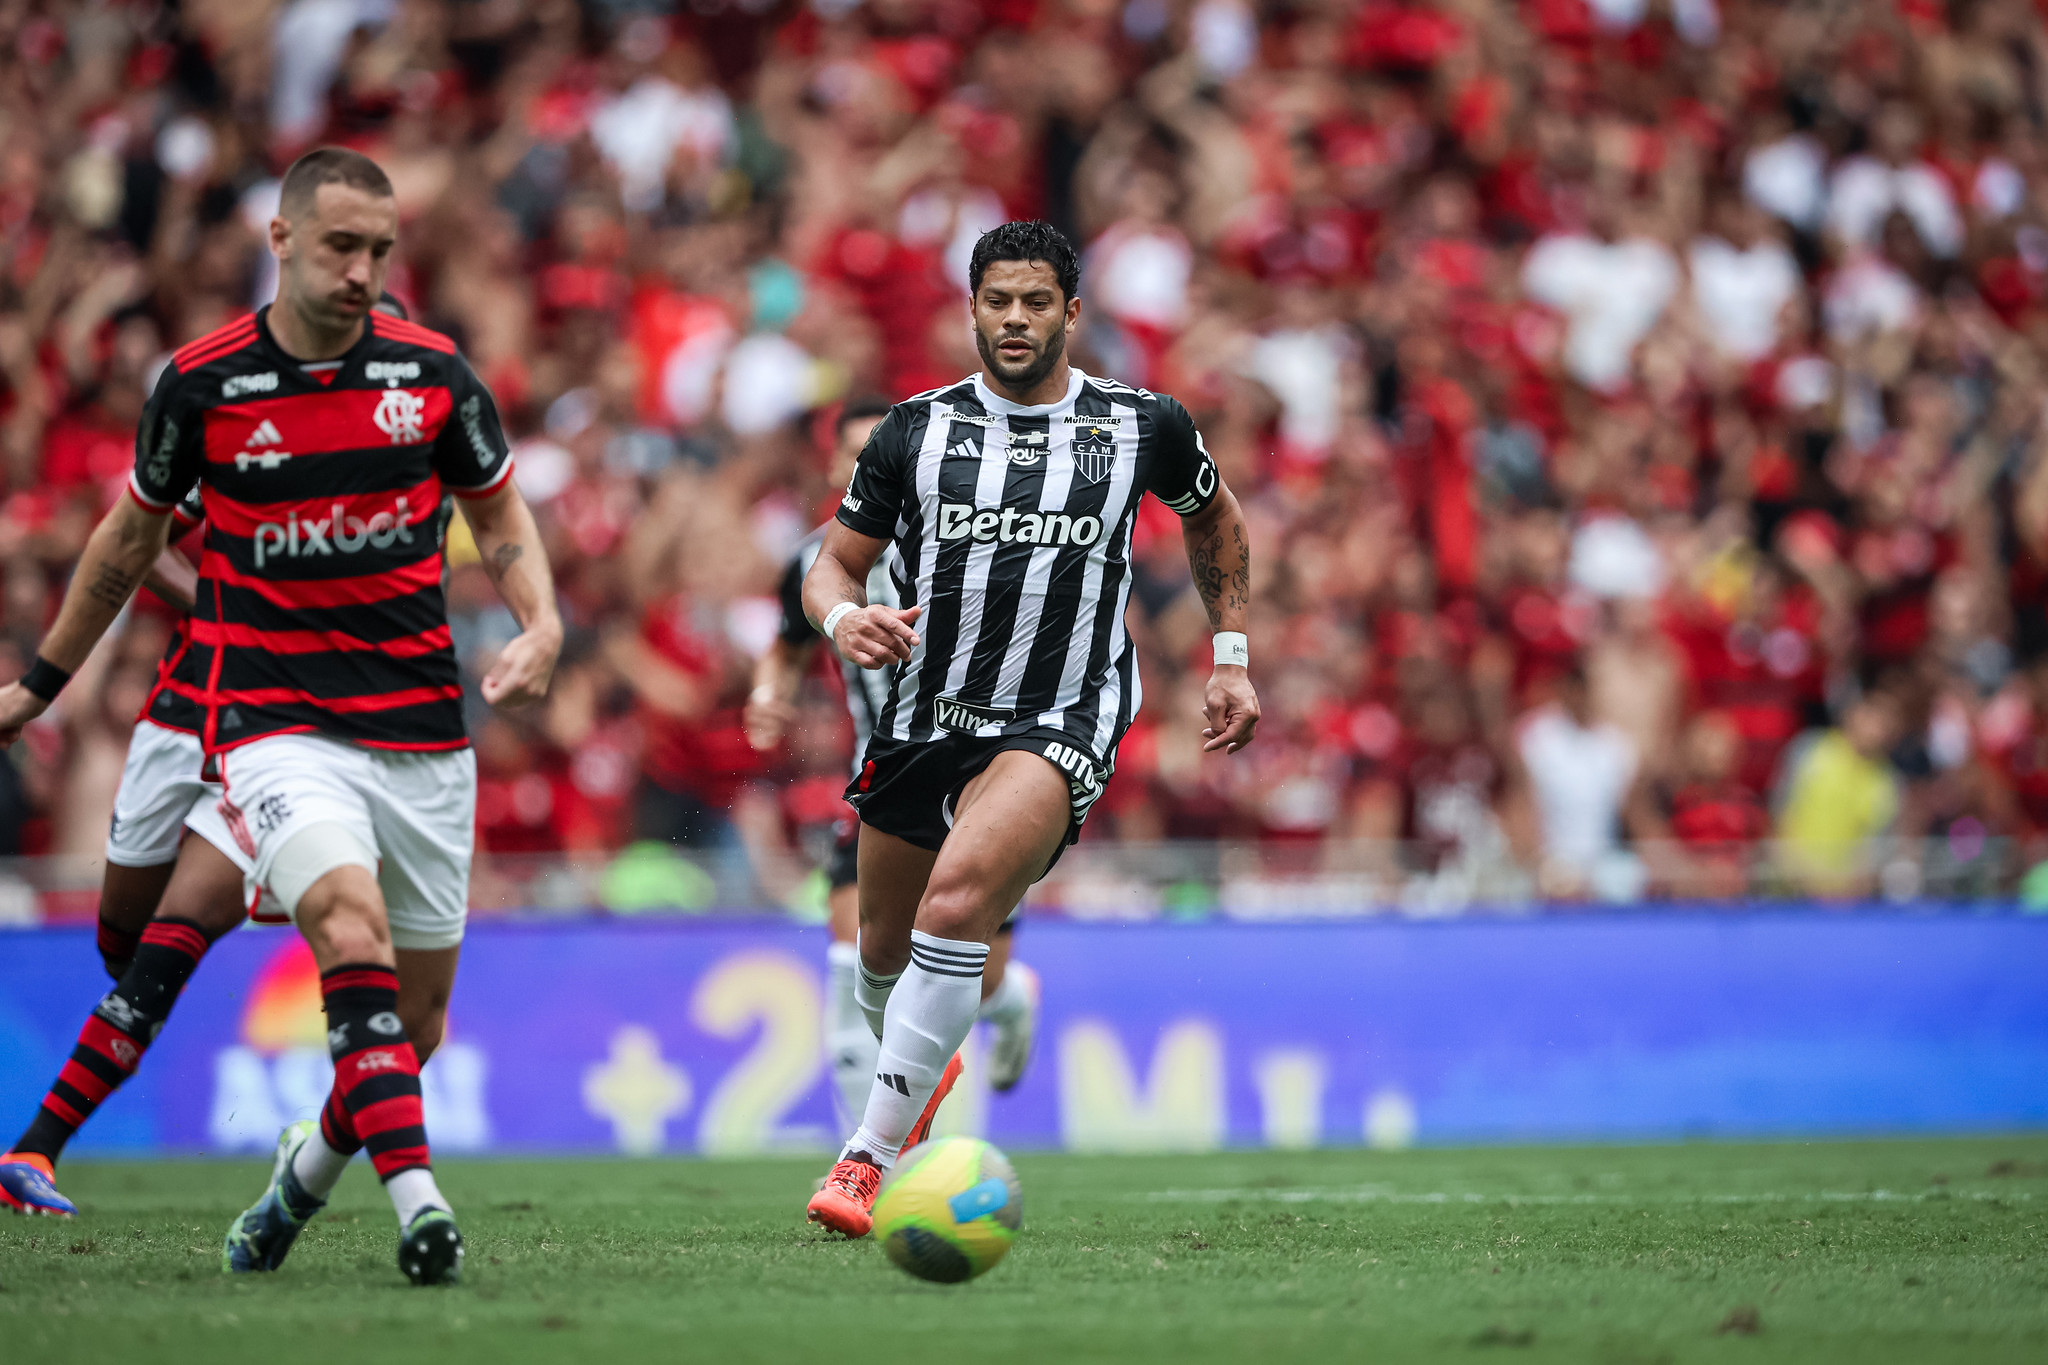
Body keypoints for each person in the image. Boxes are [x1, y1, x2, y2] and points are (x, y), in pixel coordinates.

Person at [0, 150, 560, 1286]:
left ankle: (292, 1188)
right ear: (284, 240)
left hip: (418, 734)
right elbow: (125, 545)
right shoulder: (202, 387)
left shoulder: (433, 377)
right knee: (283, 930)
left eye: (380, 253)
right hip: (267, 722)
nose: (363, 272)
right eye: (343, 247)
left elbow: (500, 515)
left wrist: (539, 622)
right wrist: (38, 687)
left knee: (416, 1028)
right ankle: (421, 1206)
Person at [800, 220, 1259, 1236]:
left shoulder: (1141, 425)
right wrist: (844, 617)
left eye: (1035, 303)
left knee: (954, 904)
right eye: (997, 302)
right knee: (879, 960)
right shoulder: (912, 431)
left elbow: (1215, 519)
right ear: (970, 310)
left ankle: (865, 1162)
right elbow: (828, 563)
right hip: (923, 719)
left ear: (1071, 314)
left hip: (1061, 713)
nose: (1014, 320)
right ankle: (929, 1048)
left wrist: (1228, 658)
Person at [744, 398, 1040, 1136]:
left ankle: (1009, 999)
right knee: (854, 968)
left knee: (973, 975)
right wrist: (769, 693)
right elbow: (786, 642)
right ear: (835, 466)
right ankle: (874, 1160)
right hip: (875, 786)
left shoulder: (974, 538)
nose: (865, 463)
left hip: (979, 783)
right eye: (852, 452)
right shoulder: (819, 561)